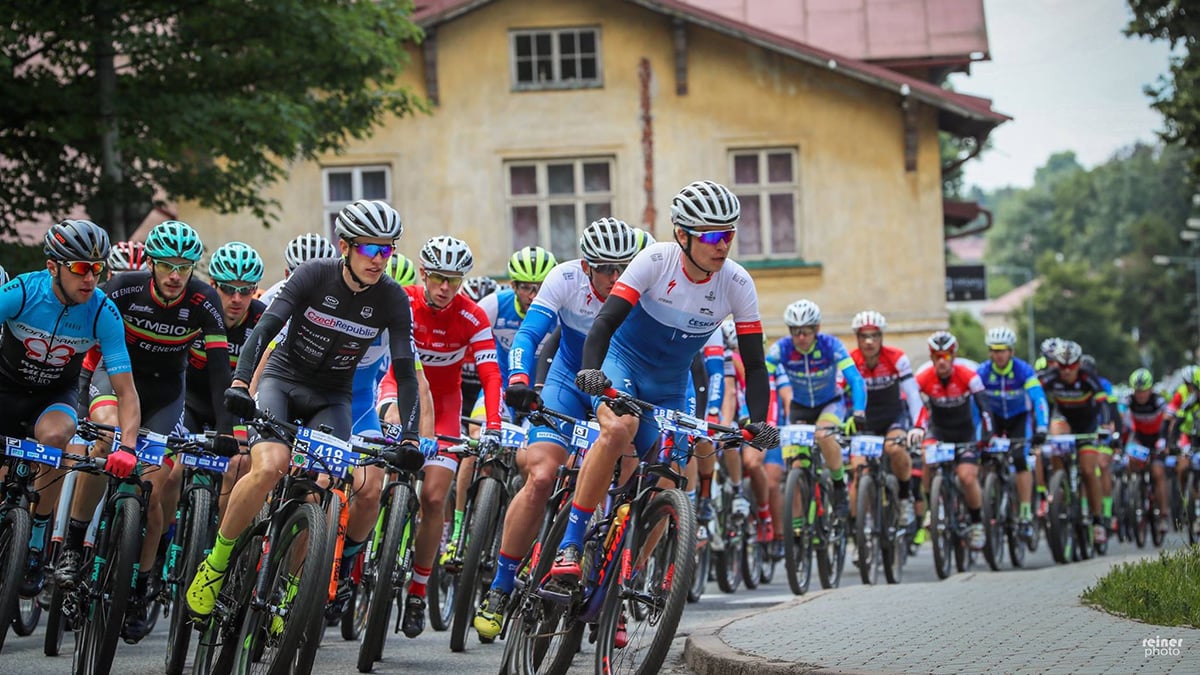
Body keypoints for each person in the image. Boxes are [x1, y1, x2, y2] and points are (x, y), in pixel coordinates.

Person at [186, 199, 423, 622]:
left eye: (387, 250)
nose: (379, 260)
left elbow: (405, 374)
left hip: (333, 397)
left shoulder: (391, 298)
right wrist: (241, 385)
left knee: (321, 484)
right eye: (370, 249)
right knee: (270, 464)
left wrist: (408, 436)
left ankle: (291, 589)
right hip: (283, 381)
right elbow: (265, 328)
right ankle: (217, 563)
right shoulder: (314, 275)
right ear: (345, 245)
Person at [549, 180, 779, 587]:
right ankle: (570, 543)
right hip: (624, 365)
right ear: (682, 235)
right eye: (711, 234)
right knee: (620, 428)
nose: (722, 244)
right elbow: (604, 323)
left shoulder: (738, 284)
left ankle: (626, 578)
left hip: (672, 385)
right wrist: (591, 371)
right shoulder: (655, 261)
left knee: (672, 477)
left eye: (728, 234)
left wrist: (757, 421)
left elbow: (755, 364)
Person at [63, 220, 240, 642]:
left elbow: (219, 372)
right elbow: (86, 344)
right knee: (104, 440)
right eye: (166, 265)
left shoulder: (205, 300)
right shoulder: (123, 288)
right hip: (115, 379)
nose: (175, 275)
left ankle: (141, 583)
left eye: (184, 266)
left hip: (164, 396)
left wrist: (227, 430)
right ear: (153, 264)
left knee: (156, 485)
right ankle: (72, 546)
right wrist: (79, 393)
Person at [472, 219, 640, 639]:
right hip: (567, 380)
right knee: (542, 475)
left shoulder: (642, 285)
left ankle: (611, 592)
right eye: (605, 269)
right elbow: (529, 335)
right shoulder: (563, 278)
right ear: (586, 266)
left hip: (615, 382)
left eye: (623, 267)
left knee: (628, 487)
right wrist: (517, 381)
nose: (615, 278)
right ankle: (501, 585)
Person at [2, 220, 142, 596]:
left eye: (98, 268)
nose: (91, 278)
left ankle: (34, 541)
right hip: (5, 387)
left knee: (56, 438)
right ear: (53, 267)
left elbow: (125, 390)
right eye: (81, 268)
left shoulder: (102, 311)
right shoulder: (21, 292)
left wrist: (126, 447)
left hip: (53, 397)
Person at [376, 235, 505, 638]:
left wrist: (495, 425)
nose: (445, 287)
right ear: (423, 274)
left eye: (453, 279)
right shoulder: (403, 301)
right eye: (437, 278)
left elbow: (490, 375)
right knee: (383, 467)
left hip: (446, 407)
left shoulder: (471, 317)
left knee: (433, 498)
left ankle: (417, 590)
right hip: (398, 389)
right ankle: (364, 550)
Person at [769, 299, 867, 518]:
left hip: (829, 403)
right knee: (796, 464)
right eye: (795, 332)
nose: (801, 337)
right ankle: (797, 526)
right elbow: (759, 377)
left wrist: (859, 411)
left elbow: (856, 380)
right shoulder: (781, 348)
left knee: (823, 435)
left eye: (806, 331)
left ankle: (839, 485)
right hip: (800, 407)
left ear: (817, 329)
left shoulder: (831, 345)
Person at [912, 331, 993, 551]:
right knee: (926, 457)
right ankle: (933, 506)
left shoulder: (968, 375)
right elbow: (912, 403)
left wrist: (987, 434)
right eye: (937, 356)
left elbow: (985, 408)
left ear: (953, 356)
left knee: (967, 477)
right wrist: (916, 428)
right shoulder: (924, 377)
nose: (941, 362)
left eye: (946, 356)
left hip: (965, 434)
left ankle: (977, 523)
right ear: (931, 357)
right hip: (938, 431)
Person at [848, 310, 923, 526]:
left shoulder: (896, 358)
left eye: (875, 335)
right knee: (858, 471)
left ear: (882, 337)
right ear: (857, 338)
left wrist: (918, 426)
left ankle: (904, 497)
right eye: (864, 336)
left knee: (895, 449)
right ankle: (860, 529)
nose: (869, 341)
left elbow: (912, 394)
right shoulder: (851, 360)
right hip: (865, 421)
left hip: (893, 417)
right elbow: (837, 392)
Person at [976, 326, 1049, 542]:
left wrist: (1042, 428)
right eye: (994, 350)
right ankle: (988, 501)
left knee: (1019, 460)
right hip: (995, 420)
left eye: (1003, 350)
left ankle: (1025, 513)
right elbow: (974, 404)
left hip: (1018, 419)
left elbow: (1039, 399)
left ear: (1011, 352)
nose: (998, 355)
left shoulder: (1023, 370)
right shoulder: (982, 372)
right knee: (983, 458)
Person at [1038, 339, 1111, 545]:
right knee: (1055, 438)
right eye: (1062, 366)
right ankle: (1059, 484)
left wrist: (1105, 426)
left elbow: (1103, 404)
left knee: (1088, 471)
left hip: (1087, 426)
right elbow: (1033, 393)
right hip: (1065, 421)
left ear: (1079, 363)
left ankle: (1097, 521)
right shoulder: (1051, 377)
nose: (1067, 371)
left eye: (1071, 366)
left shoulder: (1089, 377)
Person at [258, 232, 339, 306]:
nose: (310, 287)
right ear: (287, 275)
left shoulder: (344, 296)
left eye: (319, 278)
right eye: (302, 278)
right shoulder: (268, 300)